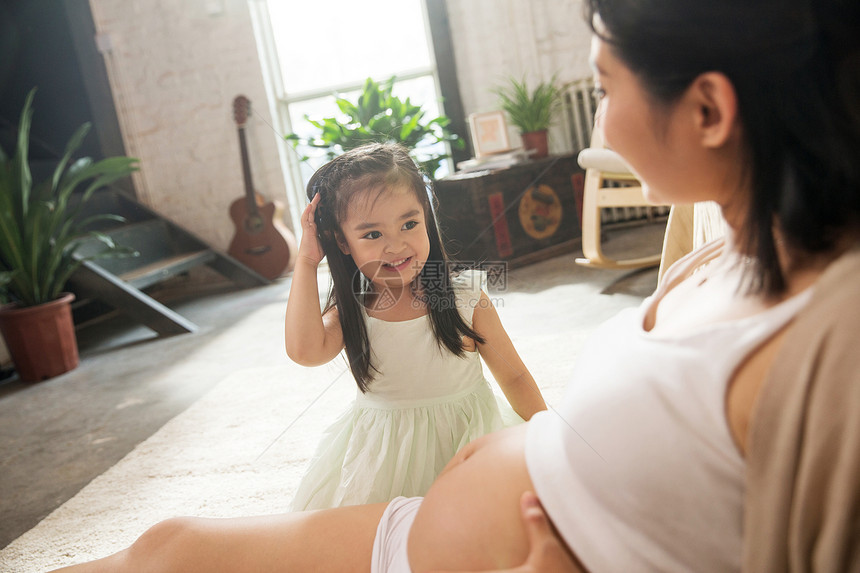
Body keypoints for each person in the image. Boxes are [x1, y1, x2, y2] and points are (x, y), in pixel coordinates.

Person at [51, 0, 860, 571]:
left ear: (710, 110)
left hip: (437, 555)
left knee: (171, 554)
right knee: (165, 542)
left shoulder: (819, 348)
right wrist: (524, 445)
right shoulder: (718, 256)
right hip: (422, 516)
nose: (600, 122)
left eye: (606, 87)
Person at [284, 143, 546, 510]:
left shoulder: (464, 296)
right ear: (342, 242)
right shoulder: (352, 311)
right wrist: (308, 260)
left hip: (469, 445)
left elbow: (515, 376)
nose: (396, 245)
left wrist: (545, 437)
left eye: (410, 223)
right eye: (372, 234)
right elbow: (304, 351)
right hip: (385, 458)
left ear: (427, 217)